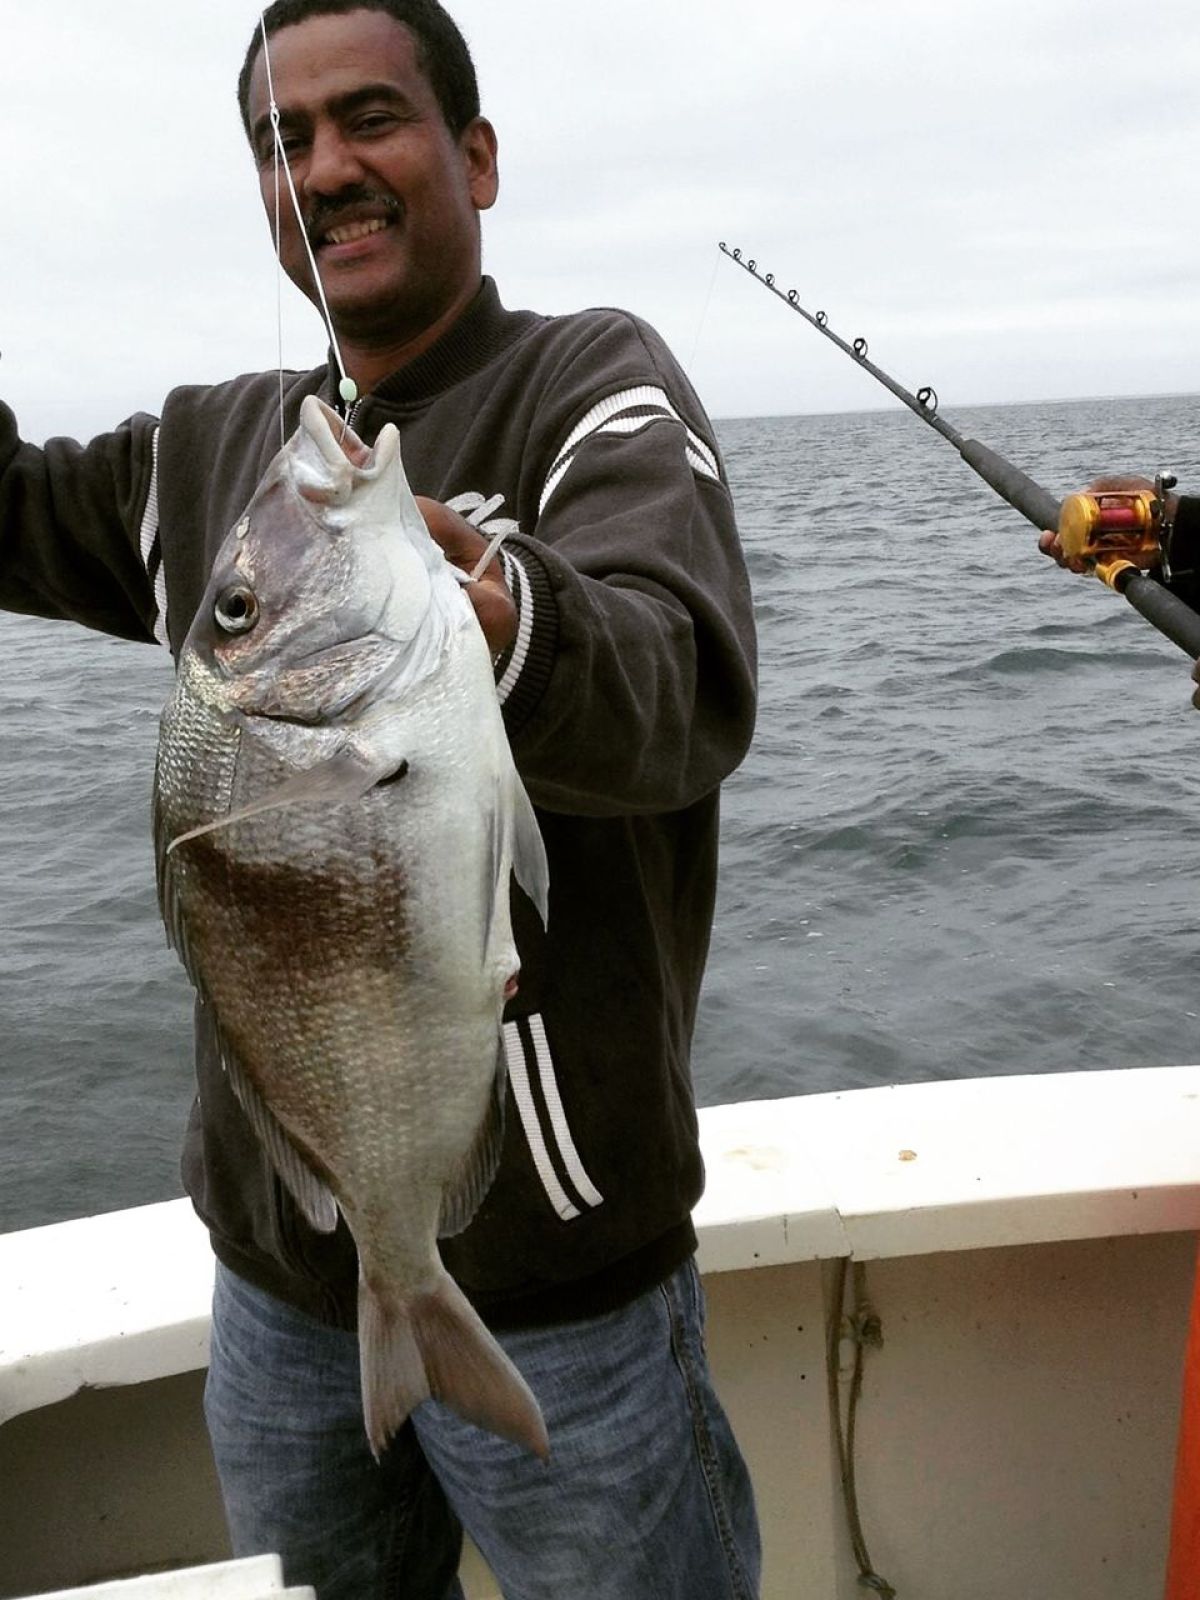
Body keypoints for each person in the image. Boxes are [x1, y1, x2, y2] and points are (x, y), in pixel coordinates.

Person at [0, 3, 761, 1597]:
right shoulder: (218, 450)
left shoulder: (590, 380)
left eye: (372, 120)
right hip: (278, 1284)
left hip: (568, 1297)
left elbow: (679, 682)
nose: (327, 168)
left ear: (475, 155)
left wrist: (500, 617)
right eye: (287, 142)